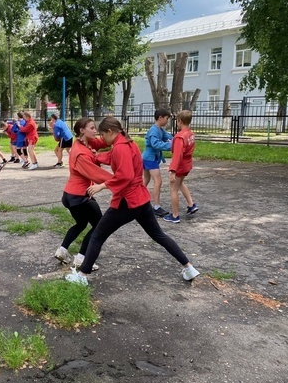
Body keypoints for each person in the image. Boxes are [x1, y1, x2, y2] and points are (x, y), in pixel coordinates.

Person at [66, 116, 200, 286]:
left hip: (127, 201)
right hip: (142, 199)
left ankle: (82, 276)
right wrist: (98, 157)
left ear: (110, 132)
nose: (102, 139)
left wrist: (102, 185)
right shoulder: (128, 143)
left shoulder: (120, 148)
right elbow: (114, 157)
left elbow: (125, 175)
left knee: (97, 236)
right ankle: (189, 267)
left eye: (103, 135)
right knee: (159, 235)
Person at [54, 117, 111, 271]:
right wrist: (119, 181)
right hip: (79, 196)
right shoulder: (81, 153)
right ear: (82, 130)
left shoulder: (84, 142)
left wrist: (116, 134)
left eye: (95, 128)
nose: (95, 131)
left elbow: (103, 142)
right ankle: (82, 259)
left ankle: (62, 250)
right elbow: (96, 174)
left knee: (81, 224)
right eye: (92, 128)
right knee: (99, 226)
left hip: (70, 194)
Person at [163, 110, 199, 223]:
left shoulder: (180, 137)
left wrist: (172, 170)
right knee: (180, 183)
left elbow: (177, 156)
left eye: (177, 121)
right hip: (187, 164)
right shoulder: (190, 134)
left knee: (173, 189)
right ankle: (191, 204)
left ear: (180, 121)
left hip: (180, 166)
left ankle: (175, 216)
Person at [142, 109, 173, 217]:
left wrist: (177, 140)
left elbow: (168, 137)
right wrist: (171, 146)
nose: (167, 121)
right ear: (160, 118)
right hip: (150, 158)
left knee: (145, 180)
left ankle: (137, 200)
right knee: (158, 181)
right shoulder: (154, 130)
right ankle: (156, 207)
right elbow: (155, 144)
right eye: (166, 118)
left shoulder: (159, 129)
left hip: (149, 158)